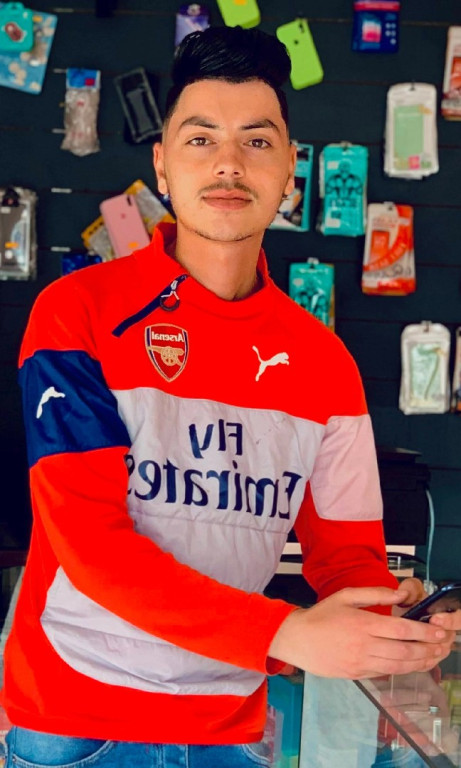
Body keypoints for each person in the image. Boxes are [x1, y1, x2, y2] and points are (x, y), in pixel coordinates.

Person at [2, 25, 460, 768]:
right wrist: (286, 632)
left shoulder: (325, 364)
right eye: (200, 138)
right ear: (160, 162)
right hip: (77, 721)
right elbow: (90, 545)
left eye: (256, 140)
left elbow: (349, 559)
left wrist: (393, 627)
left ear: (289, 168)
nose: (227, 163)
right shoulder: (77, 312)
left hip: (228, 725)